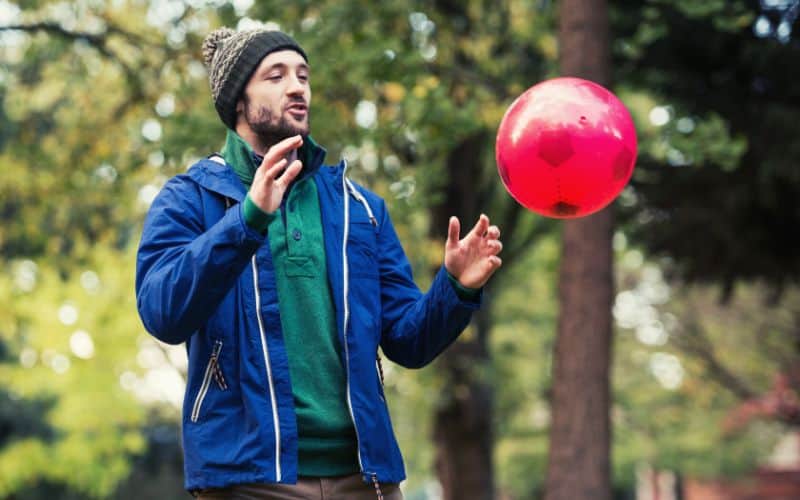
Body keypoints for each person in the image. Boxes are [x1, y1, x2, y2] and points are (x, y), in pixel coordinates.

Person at [135, 26, 503, 500]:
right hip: (250, 477)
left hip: (364, 474)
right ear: (237, 102)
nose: (297, 87)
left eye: (303, 76)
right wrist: (248, 219)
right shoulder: (188, 200)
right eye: (276, 75)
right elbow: (162, 311)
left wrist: (455, 288)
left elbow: (408, 341)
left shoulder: (359, 208)